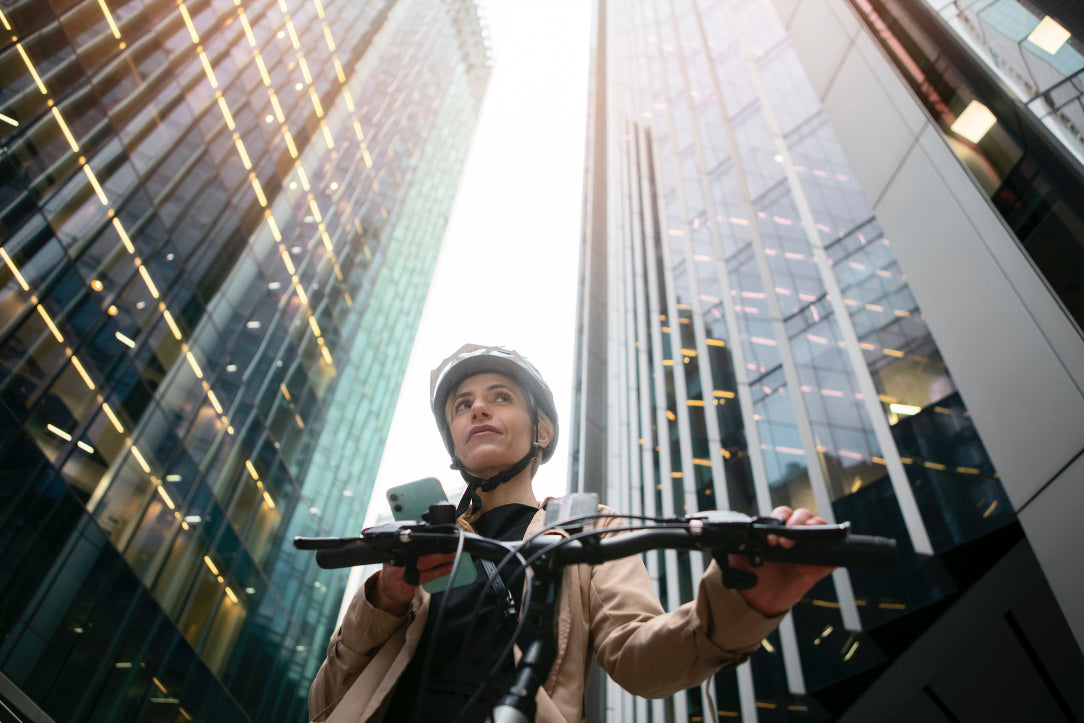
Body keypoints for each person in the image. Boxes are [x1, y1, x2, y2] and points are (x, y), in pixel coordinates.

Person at [309, 344, 833, 722]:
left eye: (500, 397)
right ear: (454, 439)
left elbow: (641, 658)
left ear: (542, 432)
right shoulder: (417, 544)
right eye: (461, 405)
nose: (477, 409)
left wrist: (744, 602)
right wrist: (386, 597)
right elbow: (324, 704)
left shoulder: (586, 527)